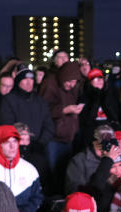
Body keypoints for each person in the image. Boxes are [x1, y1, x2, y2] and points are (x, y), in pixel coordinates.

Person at [0, 125, 43, 212]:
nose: (12, 146)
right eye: (7, 142)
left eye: (15, 141)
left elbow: (37, 197)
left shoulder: (29, 169)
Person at [42, 60, 83, 190]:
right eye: (69, 81)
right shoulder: (50, 83)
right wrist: (65, 110)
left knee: (66, 172)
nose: (71, 85)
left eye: (74, 82)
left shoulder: (72, 87)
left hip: (68, 136)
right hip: (54, 138)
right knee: (54, 172)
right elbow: (43, 109)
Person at [0, 69, 54, 157]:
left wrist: (41, 143)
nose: (29, 82)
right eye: (25, 79)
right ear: (18, 81)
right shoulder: (9, 100)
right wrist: (19, 143)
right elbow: (6, 124)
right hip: (16, 149)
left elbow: (49, 125)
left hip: (38, 149)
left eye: (31, 79)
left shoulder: (41, 101)